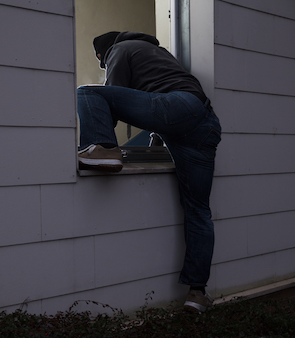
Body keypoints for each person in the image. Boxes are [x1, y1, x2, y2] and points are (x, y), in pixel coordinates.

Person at [77, 31, 221, 313]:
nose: (104, 65)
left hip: (179, 109)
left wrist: (99, 133)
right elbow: (154, 105)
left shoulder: (120, 50)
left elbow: (111, 96)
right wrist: (154, 141)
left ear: (103, 53)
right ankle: (197, 293)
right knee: (198, 211)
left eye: (101, 62)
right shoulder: (159, 54)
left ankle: (102, 149)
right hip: (204, 124)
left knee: (88, 92)